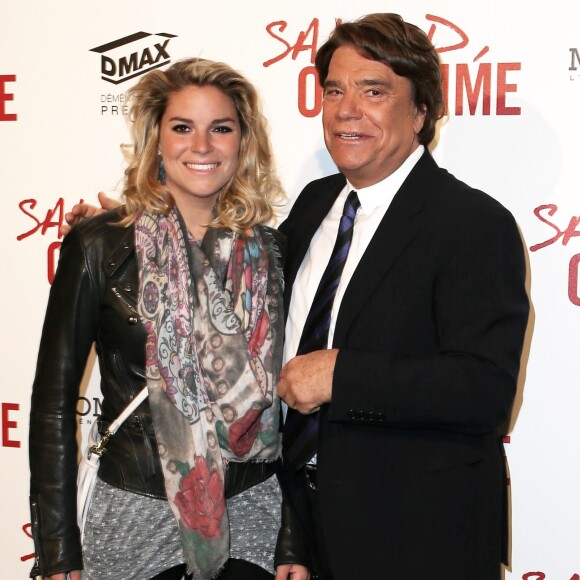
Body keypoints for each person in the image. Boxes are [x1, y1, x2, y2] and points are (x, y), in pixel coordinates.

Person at [62, 13, 530, 580]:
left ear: (422, 111)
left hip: (417, 538)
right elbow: (224, 286)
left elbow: (485, 390)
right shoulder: (315, 204)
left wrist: (342, 375)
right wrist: (134, 231)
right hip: (298, 535)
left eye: (374, 91)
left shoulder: (474, 224)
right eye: (334, 89)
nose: (346, 108)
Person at [29, 58, 310, 580]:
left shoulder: (272, 252)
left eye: (220, 128)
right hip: (135, 513)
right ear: (157, 139)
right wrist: (57, 549)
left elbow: (290, 414)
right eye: (183, 127)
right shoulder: (99, 245)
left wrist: (293, 538)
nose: (201, 145)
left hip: (253, 512)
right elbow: (52, 405)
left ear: (241, 143)